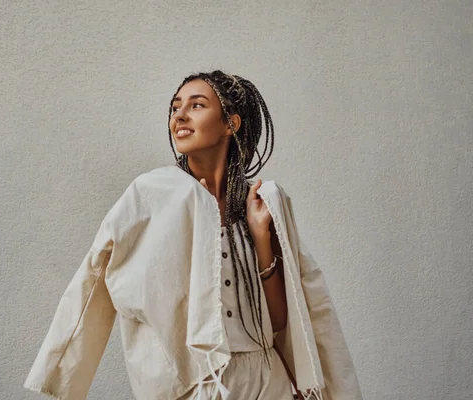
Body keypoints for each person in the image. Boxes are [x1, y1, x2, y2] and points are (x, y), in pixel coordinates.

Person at [23, 70, 362, 400]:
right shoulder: (152, 195)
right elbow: (95, 275)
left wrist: (260, 237)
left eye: (196, 105)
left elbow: (278, 323)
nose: (180, 115)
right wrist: (62, 367)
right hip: (197, 383)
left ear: (231, 123)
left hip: (265, 381)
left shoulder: (261, 203)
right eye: (175, 107)